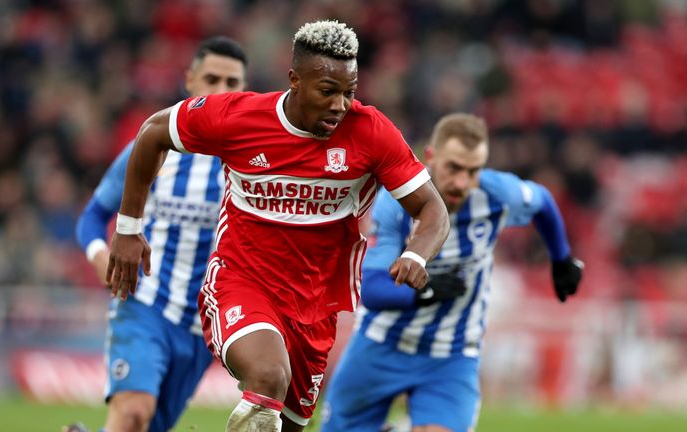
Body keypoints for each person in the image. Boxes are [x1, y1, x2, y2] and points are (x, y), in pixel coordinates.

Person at [105, 20, 450, 432]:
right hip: (241, 281)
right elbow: (152, 132)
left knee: (286, 424)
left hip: (316, 306)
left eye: (350, 92)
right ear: (295, 80)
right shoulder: (238, 117)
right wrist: (128, 227)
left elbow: (432, 209)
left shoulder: (371, 132)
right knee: (269, 377)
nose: (340, 105)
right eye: (328, 91)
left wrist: (416, 252)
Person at [320, 113, 584, 432]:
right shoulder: (395, 202)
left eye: (473, 171)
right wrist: (425, 292)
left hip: (451, 354)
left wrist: (561, 258)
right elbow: (372, 290)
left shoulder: (497, 195)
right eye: (454, 168)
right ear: (431, 158)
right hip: (382, 343)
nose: (462, 183)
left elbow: (541, 201)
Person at [74, 36, 248, 432]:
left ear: (244, 89)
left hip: (206, 325)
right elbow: (91, 217)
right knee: (133, 414)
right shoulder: (154, 146)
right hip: (145, 303)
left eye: (232, 83)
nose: (221, 91)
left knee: (149, 427)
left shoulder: (252, 162)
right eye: (212, 79)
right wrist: (102, 257)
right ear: (190, 81)